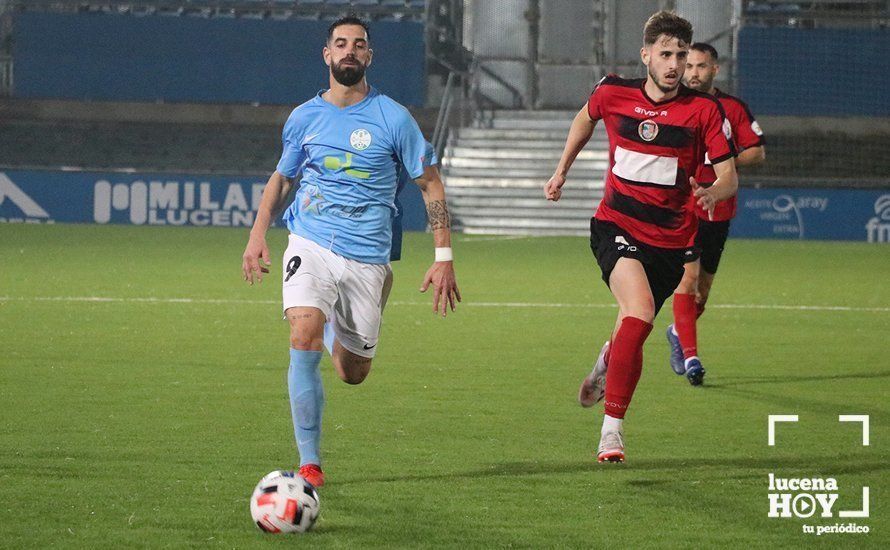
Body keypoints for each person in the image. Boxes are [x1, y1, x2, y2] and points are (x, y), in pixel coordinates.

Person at [241, 16, 460, 488]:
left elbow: (431, 185)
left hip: (368, 255)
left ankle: (336, 326)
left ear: (369, 56)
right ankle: (310, 463)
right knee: (302, 334)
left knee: (351, 372)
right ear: (327, 55)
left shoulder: (393, 117)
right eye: (340, 44)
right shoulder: (304, 117)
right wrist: (258, 234)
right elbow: (283, 179)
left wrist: (443, 258)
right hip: (310, 240)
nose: (349, 51)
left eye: (358, 45)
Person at [544, 11, 738, 463]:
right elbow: (583, 120)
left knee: (632, 328)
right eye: (666, 54)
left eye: (681, 55)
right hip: (616, 225)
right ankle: (611, 432)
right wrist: (560, 172)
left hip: (671, 241)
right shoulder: (613, 91)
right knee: (641, 311)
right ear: (646, 54)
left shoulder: (703, 110)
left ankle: (605, 364)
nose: (674, 64)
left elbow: (729, 177)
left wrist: (712, 191)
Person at [665, 42, 766, 385]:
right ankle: (692, 358)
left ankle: (679, 331)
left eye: (700, 66)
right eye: (688, 65)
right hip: (684, 206)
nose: (693, 73)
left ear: (714, 70)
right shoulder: (673, 102)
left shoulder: (733, 108)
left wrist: (722, 159)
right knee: (688, 279)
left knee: (703, 291)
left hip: (720, 207)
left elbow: (757, 153)